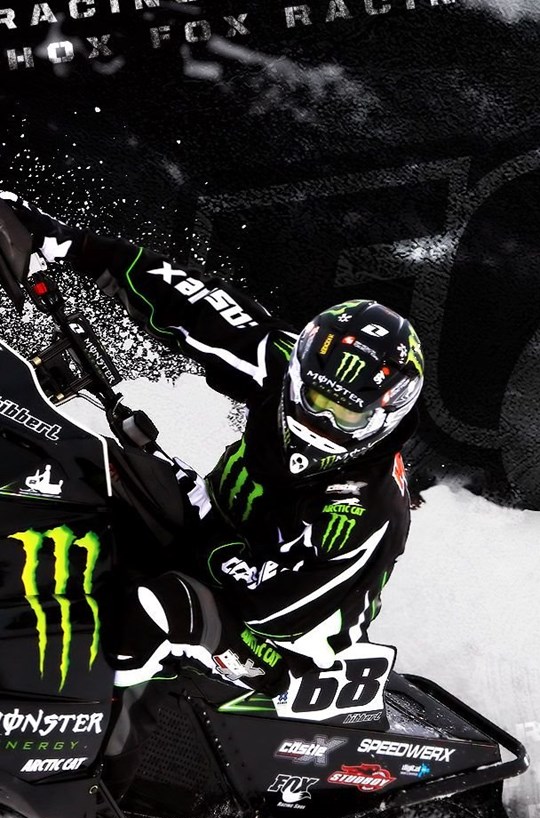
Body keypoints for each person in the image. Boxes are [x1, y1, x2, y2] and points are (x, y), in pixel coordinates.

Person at [1, 191, 424, 700]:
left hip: (284, 648)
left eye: (345, 413)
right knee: (83, 479)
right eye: (315, 397)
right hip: (213, 533)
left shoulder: (370, 507)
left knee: (152, 612)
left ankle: (79, 737)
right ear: (299, 373)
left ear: (383, 417)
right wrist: (70, 243)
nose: (321, 419)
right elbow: (194, 300)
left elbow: (277, 611)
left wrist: (205, 541)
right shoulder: (280, 364)